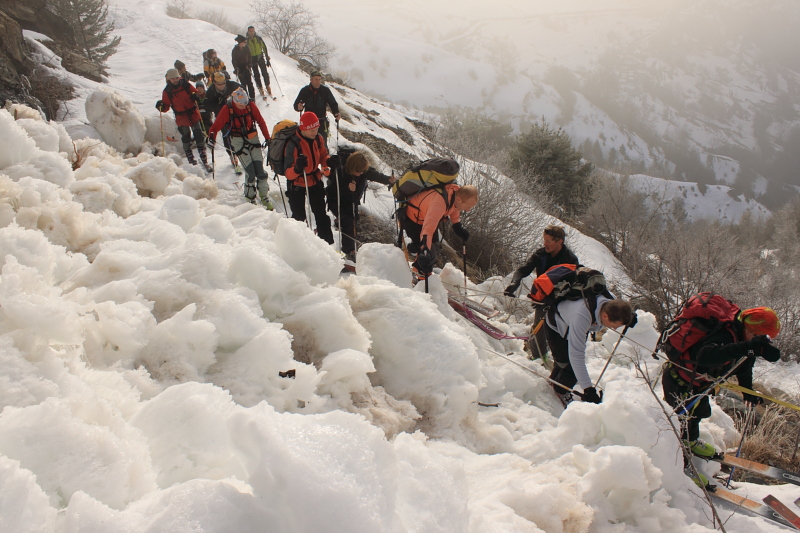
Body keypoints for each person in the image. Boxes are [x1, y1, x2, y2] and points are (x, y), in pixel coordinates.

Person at [662, 305, 781, 459]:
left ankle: (690, 444)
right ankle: (678, 465)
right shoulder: (726, 334)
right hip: (679, 381)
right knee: (678, 423)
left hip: (699, 384)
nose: (762, 340)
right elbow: (704, 356)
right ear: (751, 330)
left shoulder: (745, 340)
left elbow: (744, 367)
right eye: (761, 335)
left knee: (696, 416)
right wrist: (746, 347)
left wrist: (747, 392)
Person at [504, 225, 580, 359]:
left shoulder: (570, 259)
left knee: (560, 333)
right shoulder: (541, 254)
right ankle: (538, 358)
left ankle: (563, 361)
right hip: (543, 299)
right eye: (544, 240)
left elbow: (572, 283)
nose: (545, 244)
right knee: (538, 331)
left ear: (559, 242)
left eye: (549, 241)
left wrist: (553, 300)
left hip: (562, 301)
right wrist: (514, 283)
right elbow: (523, 270)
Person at [545, 296, 633, 405]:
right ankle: (560, 390)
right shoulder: (582, 316)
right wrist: (588, 389)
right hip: (557, 324)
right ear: (605, 316)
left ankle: (553, 381)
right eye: (614, 325)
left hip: (575, 322)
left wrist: (629, 317)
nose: (614, 328)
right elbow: (576, 355)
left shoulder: (610, 303)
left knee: (565, 362)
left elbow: (621, 308)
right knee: (569, 367)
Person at [208, 88, 272, 207]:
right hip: (237, 141)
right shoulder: (228, 109)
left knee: (260, 170)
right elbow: (216, 125)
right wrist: (211, 137)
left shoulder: (250, 105)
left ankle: (264, 195)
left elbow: (260, 121)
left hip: (253, 138)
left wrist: (268, 138)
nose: (243, 106)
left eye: (245, 103)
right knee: (250, 171)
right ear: (235, 101)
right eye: (241, 104)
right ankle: (250, 197)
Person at [327, 150, 395, 261]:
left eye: (363, 171)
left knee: (353, 221)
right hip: (337, 201)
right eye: (358, 171)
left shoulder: (363, 170)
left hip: (351, 201)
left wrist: (388, 180)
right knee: (348, 222)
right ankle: (349, 252)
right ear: (352, 167)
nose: (361, 173)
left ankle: (350, 249)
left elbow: (376, 175)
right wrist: (347, 189)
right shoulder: (340, 172)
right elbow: (332, 192)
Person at [402, 183, 478, 280]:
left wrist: (457, 225)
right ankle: (422, 277)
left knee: (435, 247)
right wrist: (425, 249)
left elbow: (454, 207)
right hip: (413, 219)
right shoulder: (439, 204)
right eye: (468, 206)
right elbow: (427, 231)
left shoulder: (454, 195)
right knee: (429, 252)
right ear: (459, 199)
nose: (468, 210)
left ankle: (417, 269)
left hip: (425, 218)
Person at [283, 112, 334, 244]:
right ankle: (298, 246)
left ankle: (327, 247)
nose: (315, 132)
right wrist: (297, 169)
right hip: (297, 183)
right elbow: (288, 173)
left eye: (316, 129)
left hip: (314, 179)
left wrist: (329, 161)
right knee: (299, 218)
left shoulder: (318, 138)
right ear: (303, 129)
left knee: (321, 214)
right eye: (311, 130)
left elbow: (323, 155)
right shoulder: (292, 144)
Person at [156, 68, 211, 172]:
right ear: (169, 79)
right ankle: (191, 160)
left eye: (176, 77)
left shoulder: (185, 84)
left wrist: (195, 96)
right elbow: (166, 106)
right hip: (181, 116)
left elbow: (195, 93)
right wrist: (161, 106)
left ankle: (204, 158)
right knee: (186, 137)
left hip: (193, 113)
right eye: (173, 79)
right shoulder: (167, 91)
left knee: (199, 134)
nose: (175, 80)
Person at [205, 72, 243, 173]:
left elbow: (243, 92)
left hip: (235, 114)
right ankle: (232, 155)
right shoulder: (210, 92)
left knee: (239, 132)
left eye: (223, 83)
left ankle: (242, 152)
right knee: (226, 135)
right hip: (222, 116)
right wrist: (218, 105)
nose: (222, 86)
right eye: (219, 84)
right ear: (214, 83)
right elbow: (207, 106)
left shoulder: (233, 86)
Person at [293, 71, 340, 144]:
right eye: (316, 79)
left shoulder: (325, 90)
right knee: (308, 143)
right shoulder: (305, 90)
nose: (318, 82)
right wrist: (298, 107)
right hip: (309, 122)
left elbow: (333, 103)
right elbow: (296, 105)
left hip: (321, 121)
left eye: (319, 79)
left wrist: (336, 113)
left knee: (322, 144)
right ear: (311, 80)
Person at [246, 26, 275, 100]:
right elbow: (245, 52)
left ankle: (267, 86)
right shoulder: (246, 40)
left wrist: (267, 58)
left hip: (260, 57)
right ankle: (260, 88)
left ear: (254, 31)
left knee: (265, 73)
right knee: (256, 74)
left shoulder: (258, 38)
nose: (252, 32)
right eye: (250, 31)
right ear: (248, 32)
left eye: (253, 31)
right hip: (252, 59)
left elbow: (264, 47)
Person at [231, 35, 255, 100]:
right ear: (240, 42)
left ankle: (252, 97)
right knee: (243, 84)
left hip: (247, 67)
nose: (245, 43)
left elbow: (250, 56)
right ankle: (246, 97)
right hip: (239, 68)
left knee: (249, 83)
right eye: (244, 42)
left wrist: (250, 64)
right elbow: (233, 60)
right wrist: (235, 68)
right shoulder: (235, 50)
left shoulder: (247, 48)